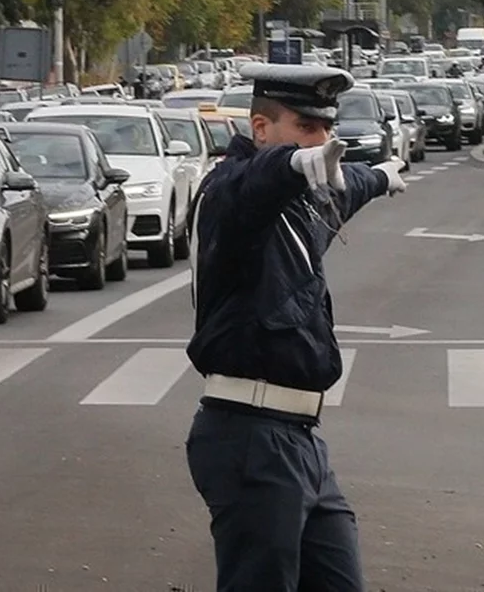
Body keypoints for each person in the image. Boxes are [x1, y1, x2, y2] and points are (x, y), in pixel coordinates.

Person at [184, 62, 407, 591]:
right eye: (306, 127)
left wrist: (378, 177)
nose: (322, 140)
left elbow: (343, 186)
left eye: (327, 128)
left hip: (300, 437)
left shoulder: (302, 202)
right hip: (249, 435)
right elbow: (255, 182)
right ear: (261, 128)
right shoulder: (230, 193)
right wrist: (292, 163)